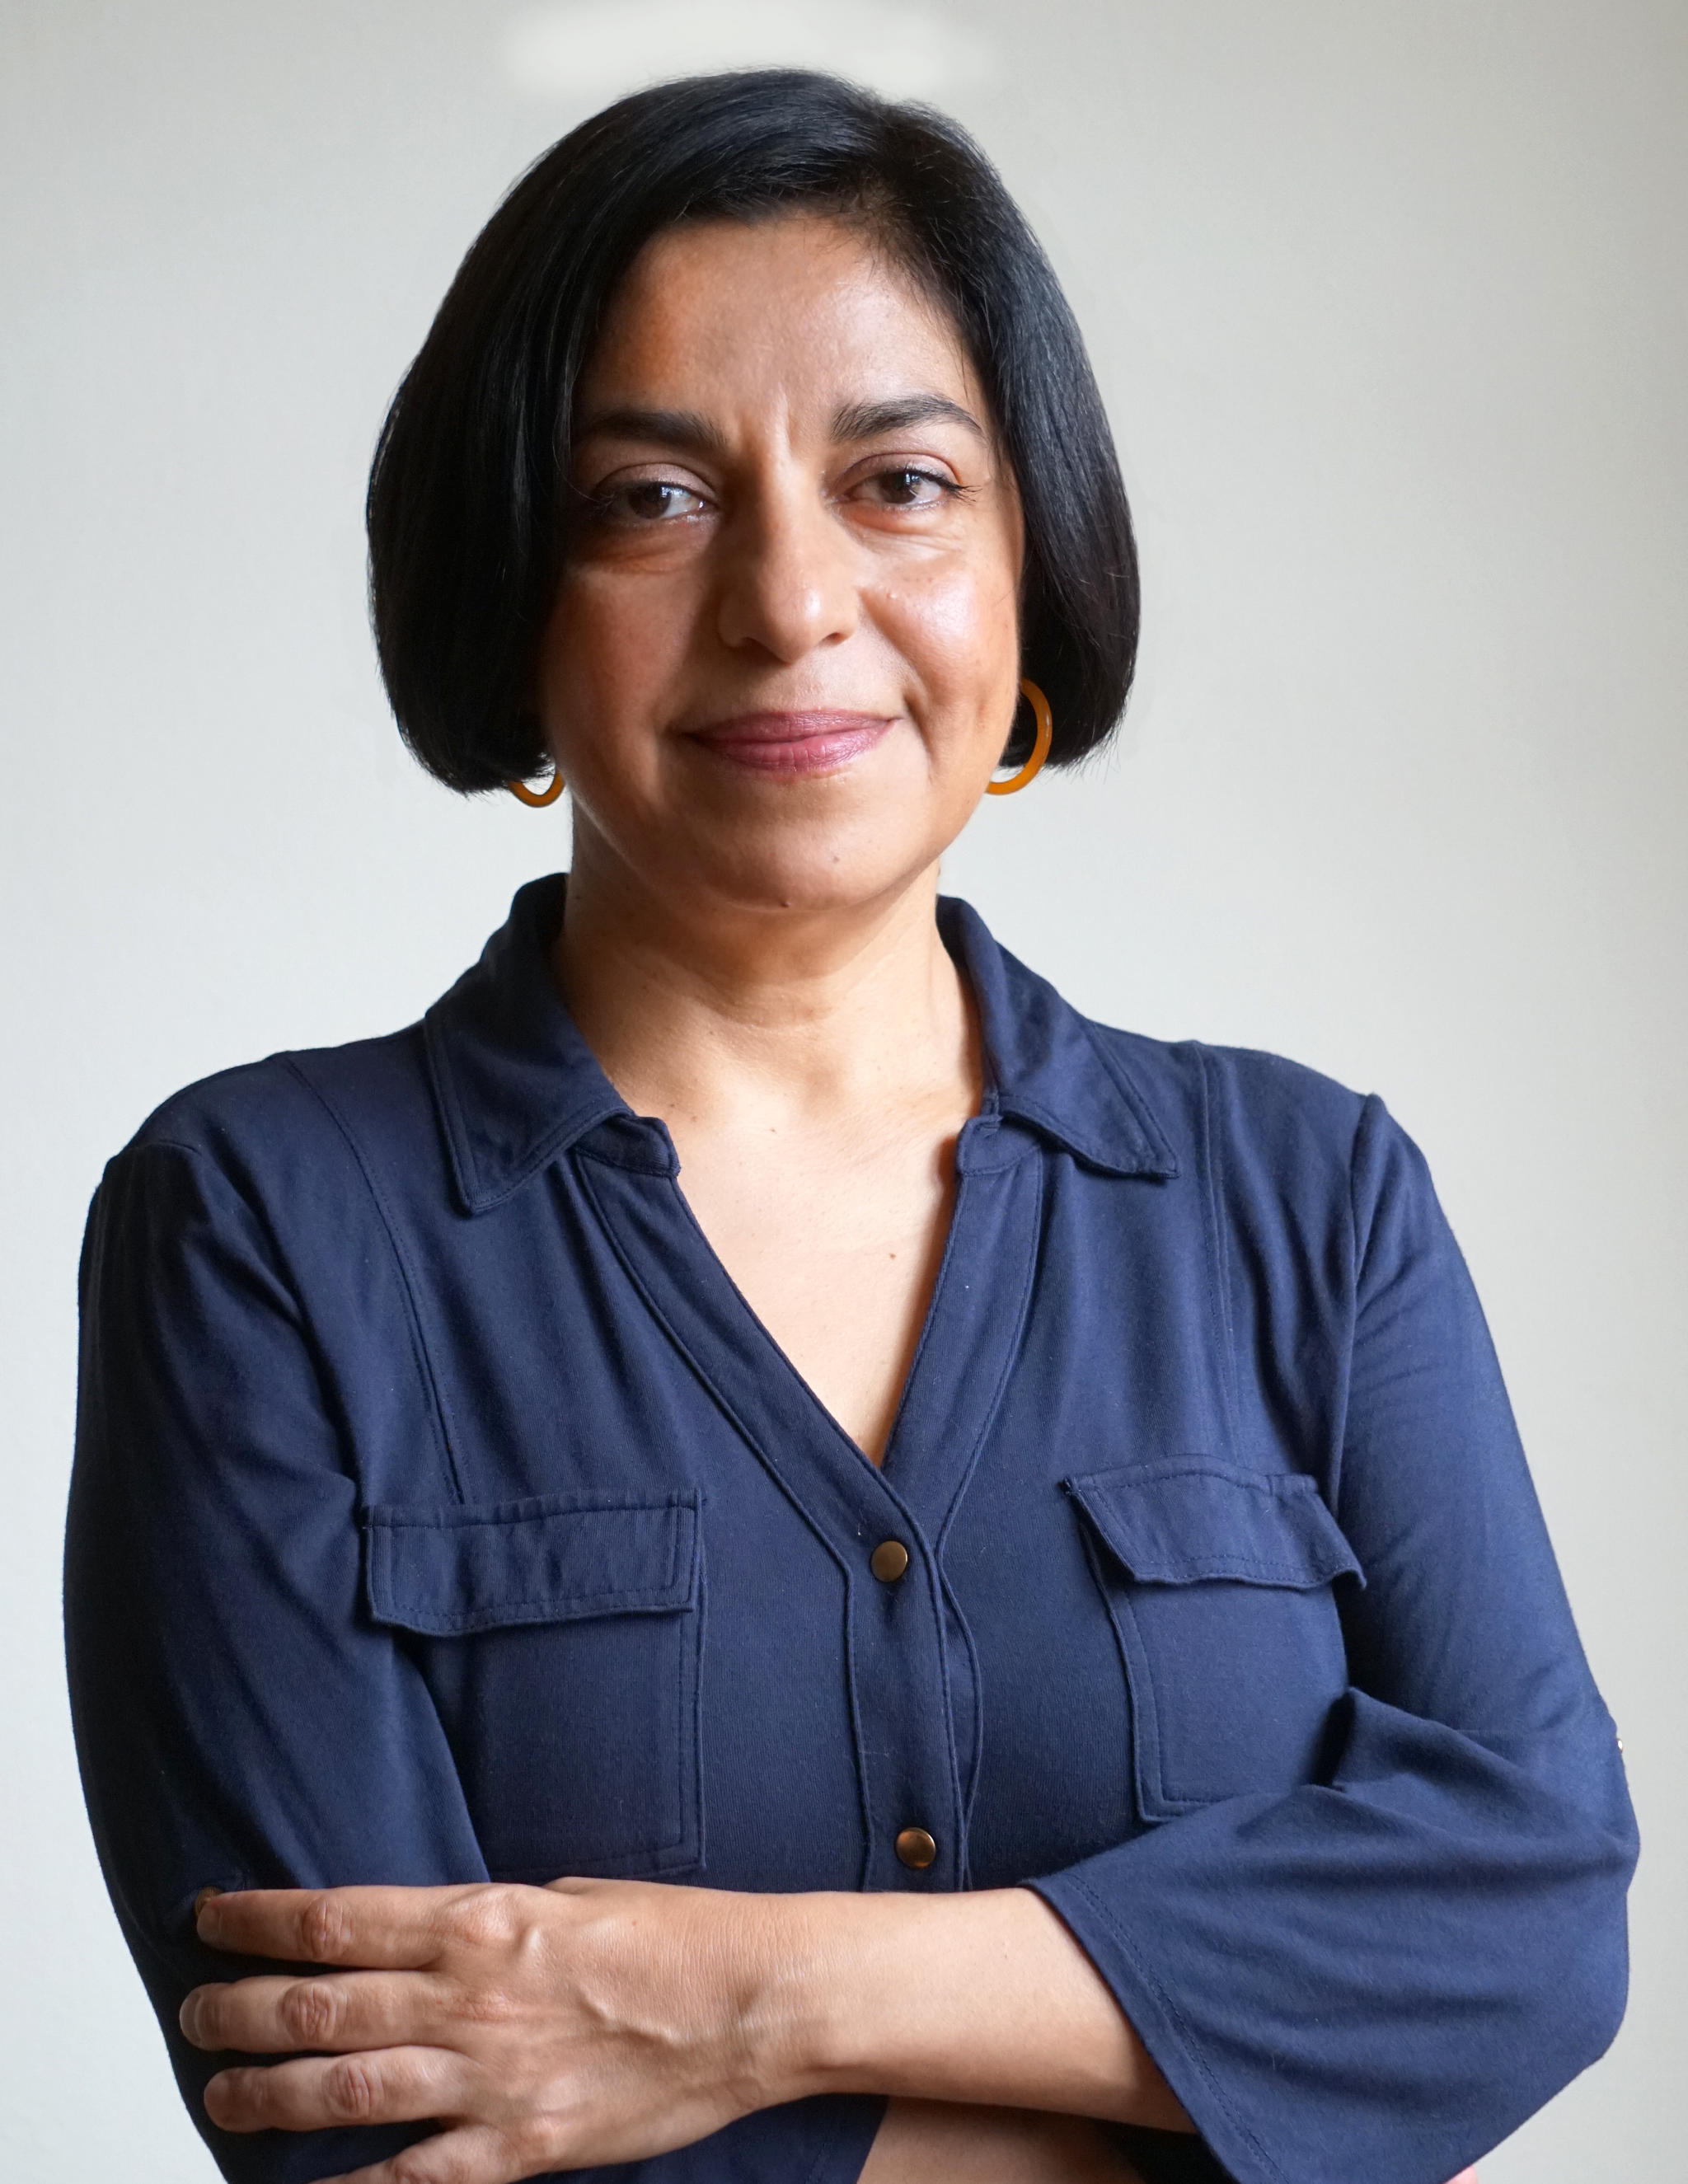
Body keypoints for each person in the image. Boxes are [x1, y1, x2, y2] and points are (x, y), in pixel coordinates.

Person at [65, 68, 1635, 2184]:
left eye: (899, 480)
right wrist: (1235, 2090)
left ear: (1024, 566)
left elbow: (1528, 1920)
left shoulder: (1309, 1199)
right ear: (512, 595)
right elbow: (368, 2111)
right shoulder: (257, 1228)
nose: (792, 602)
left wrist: (720, 2002)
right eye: (652, 498)